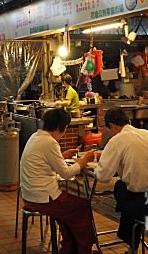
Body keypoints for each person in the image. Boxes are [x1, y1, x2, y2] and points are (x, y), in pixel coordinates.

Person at [95, 108, 148, 251]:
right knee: (130, 191)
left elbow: (103, 176)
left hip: (145, 207)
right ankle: (132, 246)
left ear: (112, 126)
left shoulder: (116, 141)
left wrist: (97, 163)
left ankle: (131, 244)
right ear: (129, 122)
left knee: (121, 187)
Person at [20, 108, 96, 254]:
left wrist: (63, 155)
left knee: (69, 213)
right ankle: (84, 250)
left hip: (30, 194)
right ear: (62, 127)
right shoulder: (49, 142)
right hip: (42, 198)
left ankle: (69, 249)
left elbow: (44, 161)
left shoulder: (36, 136)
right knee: (82, 207)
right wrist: (83, 161)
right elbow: (66, 174)